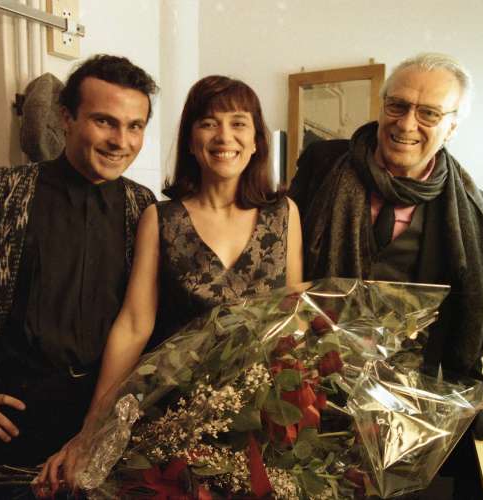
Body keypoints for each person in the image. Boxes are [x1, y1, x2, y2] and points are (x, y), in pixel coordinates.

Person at [35, 75, 303, 494]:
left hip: (262, 417)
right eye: (208, 123)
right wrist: (93, 429)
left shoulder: (284, 214)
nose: (224, 136)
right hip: (176, 420)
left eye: (238, 123)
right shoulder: (160, 219)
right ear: (191, 141)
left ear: (256, 142)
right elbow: (133, 326)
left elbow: (294, 319)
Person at [0, 54, 158, 484]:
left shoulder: (145, 208)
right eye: (104, 122)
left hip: (115, 414)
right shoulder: (3, 196)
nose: (121, 141)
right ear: (66, 118)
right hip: (23, 417)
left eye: (135, 126)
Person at [289, 53, 483, 498]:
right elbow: (283, 259)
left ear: (452, 127)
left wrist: (472, 391)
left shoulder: (479, 209)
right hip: (311, 387)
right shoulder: (322, 164)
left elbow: (470, 313)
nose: (406, 124)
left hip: (406, 405)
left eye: (429, 114)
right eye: (397, 105)